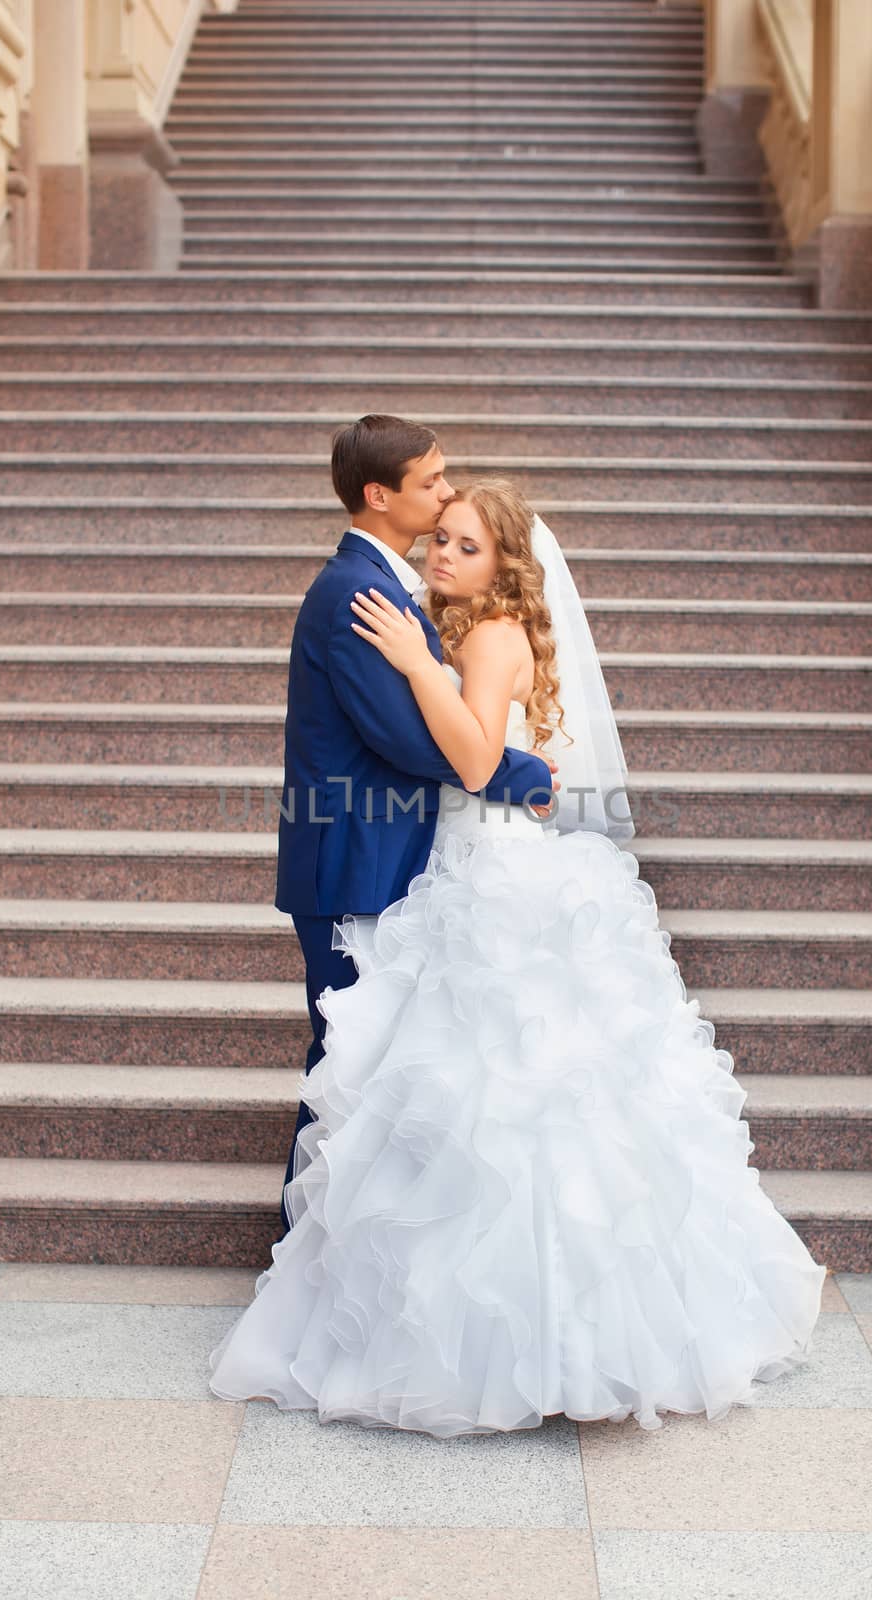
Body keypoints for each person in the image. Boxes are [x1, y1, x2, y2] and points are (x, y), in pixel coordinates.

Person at [208, 472, 828, 1437]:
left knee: (510, 1099)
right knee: (465, 1103)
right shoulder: (466, 628)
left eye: (464, 544)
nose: (441, 555)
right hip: (466, 863)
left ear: (505, 565)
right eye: (440, 538)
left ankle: (541, 1343)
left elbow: (467, 757)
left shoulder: (487, 637)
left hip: (494, 877)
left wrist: (419, 666)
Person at [272, 415, 559, 1243]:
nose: (441, 496)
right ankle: (304, 1252)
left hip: (377, 849)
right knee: (346, 1059)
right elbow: (402, 734)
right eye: (431, 482)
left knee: (359, 1060)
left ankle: (324, 1252)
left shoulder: (388, 583)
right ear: (379, 494)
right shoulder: (357, 590)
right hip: (349, 856)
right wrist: (519, 773)